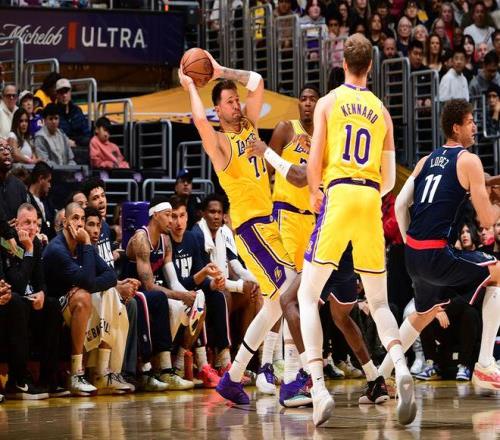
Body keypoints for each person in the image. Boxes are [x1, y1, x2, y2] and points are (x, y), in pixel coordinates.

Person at [295, 34, 414, 426]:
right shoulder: (382, 111)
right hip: (369, 198)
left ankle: (318, 389)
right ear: (371, 66)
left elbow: (315, 160)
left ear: (344, 63)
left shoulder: (328, 102)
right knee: (379, 303)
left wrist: (316, 192)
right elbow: (389, 179)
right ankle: (400, 367)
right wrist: (368, 193)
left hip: (340, 192)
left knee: (308, 295)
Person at [247, 85, 390, 406]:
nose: (309, 103)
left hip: (325, 231)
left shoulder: (326, 143)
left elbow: (300, 176)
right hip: (302, 221)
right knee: (336, 314)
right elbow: (268, 174)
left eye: (314, 99)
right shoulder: (294, 131)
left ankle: (305, 378)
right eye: (304, 98)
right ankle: (374, 378)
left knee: (292, 299)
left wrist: (267, 151)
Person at [179, 53, 304, 407]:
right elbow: (200, 121)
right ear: (218, 109)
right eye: (230, 102)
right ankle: (292, 379)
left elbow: (258, 81)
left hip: (270, 223)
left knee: (275, 304)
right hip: (251, 228)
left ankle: (233, 378)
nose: (237, 105)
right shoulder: (220, 144)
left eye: (237, 100)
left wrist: (220, 71)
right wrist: (190, 86)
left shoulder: (249, 126)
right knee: (292, 291)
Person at [387, 99, 500, 392]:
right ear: (456, 127)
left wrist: (411, 243)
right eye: (470, 121)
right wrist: (495, 203)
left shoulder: (425, 160)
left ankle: (381, 377)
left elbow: (400, 205)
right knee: (498, 272)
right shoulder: (469, 160)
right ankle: (485, 363)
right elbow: (488, 220)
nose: (475, 126)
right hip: (438, 254)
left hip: (413, 255)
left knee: (423, 314)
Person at [43, 202, 117, 396]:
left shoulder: (82, 245)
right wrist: (87, 246)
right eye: (75, 218)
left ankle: (102, 370)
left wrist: (88, 284)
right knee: (84, 296)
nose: (80, 223)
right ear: (65, 222)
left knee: (110, 293)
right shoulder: (57, 249)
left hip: (72, 302)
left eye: (82, 219)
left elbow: (111, 276)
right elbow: (88, 282)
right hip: (51, 305)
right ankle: (76, 373)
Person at [125, 196, 196, 391]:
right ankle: (154, 369)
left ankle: (166, 368)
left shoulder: (165, 240)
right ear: (155, 215)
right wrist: (180, 296)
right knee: (158, 298)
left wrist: (188, 296)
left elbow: (173, 281)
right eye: (168, 215)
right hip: (131, 289)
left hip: (152, 293)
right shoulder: (141, 238)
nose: (172, 221)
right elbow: (148, 286)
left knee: (182, 305)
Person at [0, 203, 66, 399]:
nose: (31, 228)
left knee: (53, 305)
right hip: (12, 305)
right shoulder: (7, 244)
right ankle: (18, 380)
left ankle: (48, 379)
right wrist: (28, 251)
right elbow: (17, 285)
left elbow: (41, 281)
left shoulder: (36, 243)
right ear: (16, 225)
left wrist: (43, 294)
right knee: (17, 302)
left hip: (29, 304)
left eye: (35, 223)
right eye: (26, 223)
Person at [167, 195, 227, 388]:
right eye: (174, 216)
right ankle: (198, 365)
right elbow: (176, 283)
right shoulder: (166, 242)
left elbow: (200, 274)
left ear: (187, 217)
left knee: (217, 297)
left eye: (182, 216)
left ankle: (224, 362)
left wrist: (212, 284)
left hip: (193, 292)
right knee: (199, 301)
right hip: (174, 294)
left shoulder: (191, 238)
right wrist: (202, 276)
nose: (178, 222)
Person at [83, 206, 135, 394]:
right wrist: (115, 286)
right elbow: (88, 282)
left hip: (95, 295)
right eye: (90, 225)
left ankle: (114, 371)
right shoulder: (80, 247)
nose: (95, 230)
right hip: (76, 299)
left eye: (98, 225)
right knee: (111, 297)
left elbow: (109, 276)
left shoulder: (93, 248)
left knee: (125, 302)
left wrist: (121, 283)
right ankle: (100, 372)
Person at [55, 78, 91, 148]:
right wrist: (66, 141)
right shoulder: (54, 112)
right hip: (62, 147)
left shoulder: (77, 110)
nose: (64, 95)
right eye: (61, 92)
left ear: (70, 92)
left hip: (80, 145)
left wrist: (77, 143)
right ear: (57, 94)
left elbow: (86, 132)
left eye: (66, 92)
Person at [27, 161, 55, 239]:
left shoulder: (48, 202)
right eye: (48, 181)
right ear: (41, 178)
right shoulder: (25, 199)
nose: (50, 186)